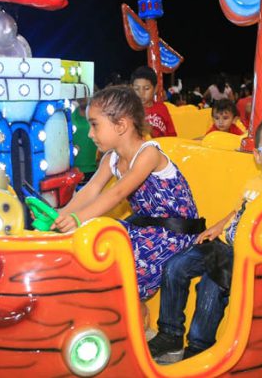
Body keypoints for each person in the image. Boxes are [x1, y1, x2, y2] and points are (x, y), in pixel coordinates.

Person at [147, 114, 262, 360]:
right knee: (175, 266)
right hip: (224, 244)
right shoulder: (256, 181)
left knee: (211, 286)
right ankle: (170, 333)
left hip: (245, 256)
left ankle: (199, 347)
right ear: (257, 156)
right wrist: (218, 226)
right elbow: (239, 210)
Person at [52, 86, 201, 301]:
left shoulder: (148, 154)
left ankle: (130, 309)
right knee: (97, 236)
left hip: (175, 233)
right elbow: (91, 189)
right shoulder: (110, 159)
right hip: (146, 228)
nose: (90, 133)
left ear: (121, 125)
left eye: (95, 125)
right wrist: (61, 215)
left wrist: (77, 218)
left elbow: (117, 193)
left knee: (124, 261)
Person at [131, 66, 176, 137]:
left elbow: (172, 135)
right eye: (137, 89)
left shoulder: (162, 108)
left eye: (146, 88)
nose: (141, 93)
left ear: (155, 89)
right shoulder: (130, 110)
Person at [71, 98, 99, 181]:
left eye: (85, 94)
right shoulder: (70, 114)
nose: (82, 97)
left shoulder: (99, 115)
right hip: (73, 169)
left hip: (94, 169)